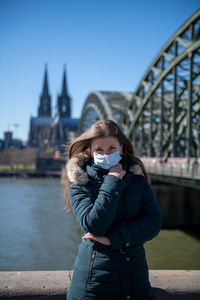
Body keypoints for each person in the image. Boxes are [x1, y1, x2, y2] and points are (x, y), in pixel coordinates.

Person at [65, 120, 162, 300]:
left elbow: (154, 222)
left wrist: (112, 239)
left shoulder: (137, 180)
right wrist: (113, 180)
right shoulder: (80, 184)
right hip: (94, 283)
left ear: (122, 149)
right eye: (99, 150)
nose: (106, 154)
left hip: (135, 281)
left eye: (111, 148)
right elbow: (95, 225)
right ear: (90, 152)